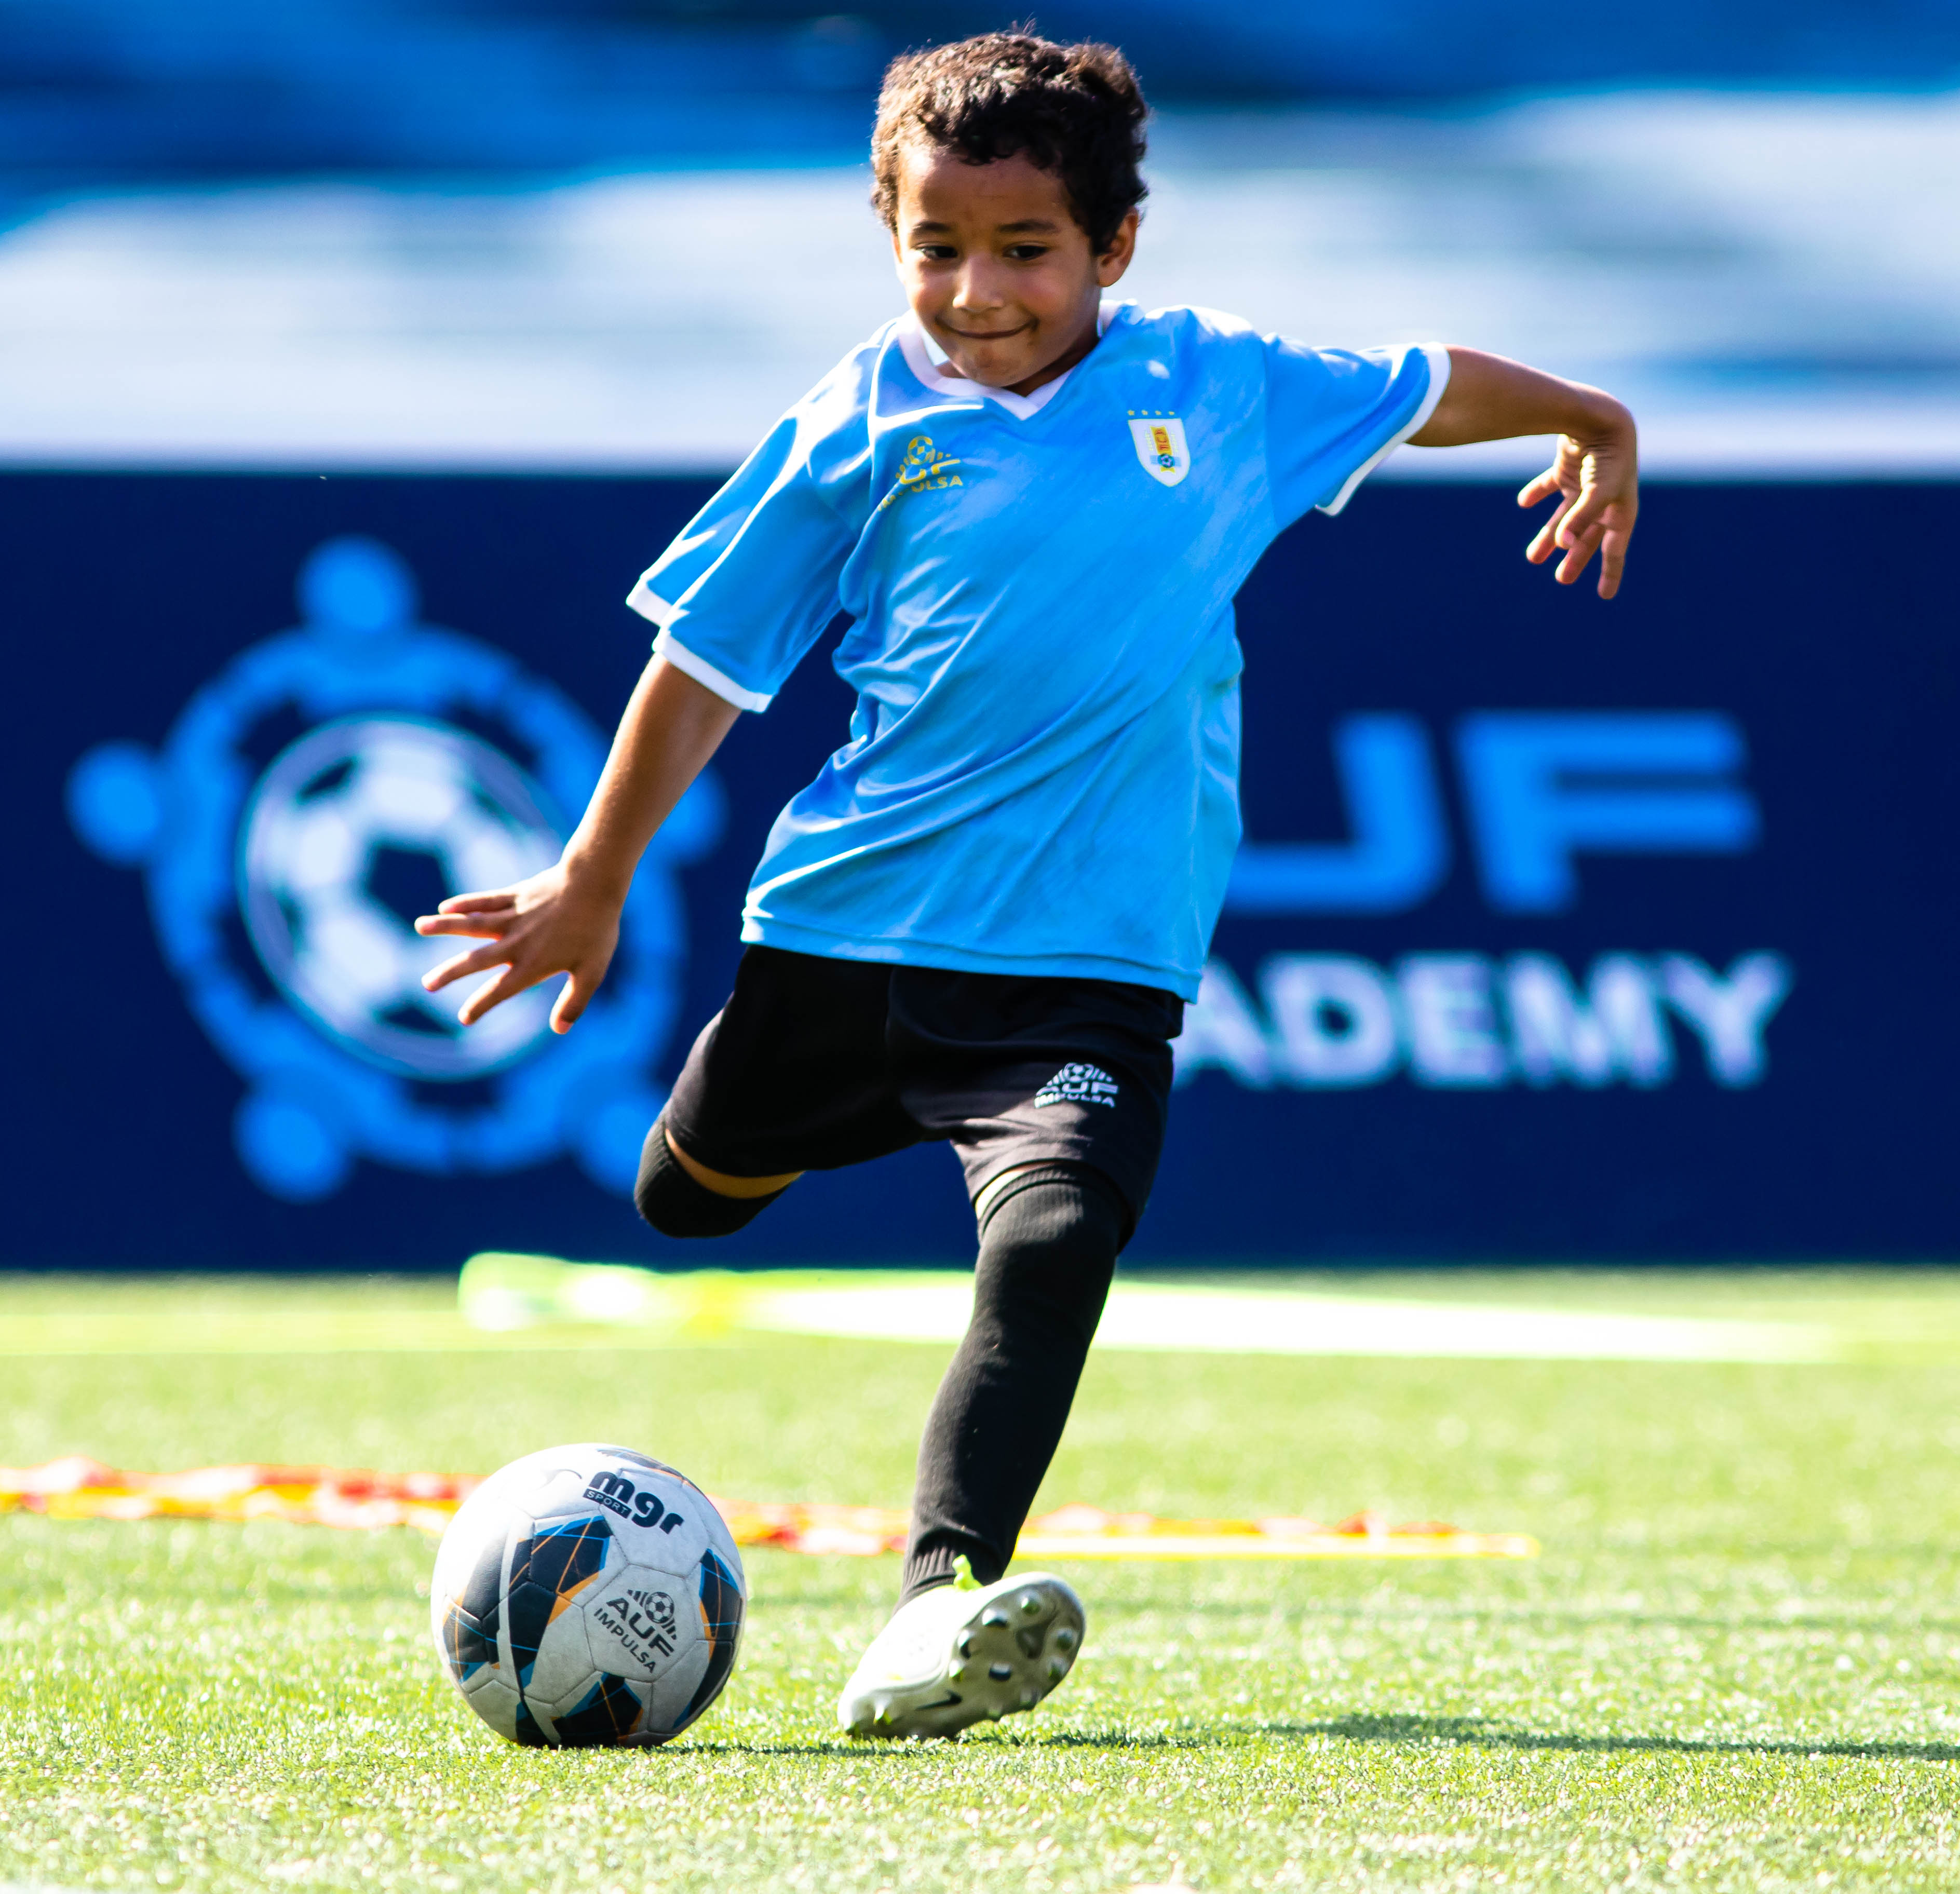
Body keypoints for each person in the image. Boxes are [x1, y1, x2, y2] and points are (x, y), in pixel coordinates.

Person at [417, 31, 1640, 1740]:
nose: (977, 292)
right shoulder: (855, 420)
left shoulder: (1219, 387)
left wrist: (1589, 415)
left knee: (1058, 1229)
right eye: (936, 249)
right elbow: (704, 664)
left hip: (1090, 969)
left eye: (1024, 251)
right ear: (889, 236)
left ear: (1113, 251)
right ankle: (751, 1136)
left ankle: (937, 1607)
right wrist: (591, 880)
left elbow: (1428, 384)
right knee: (687, 1199)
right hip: (844, 935)